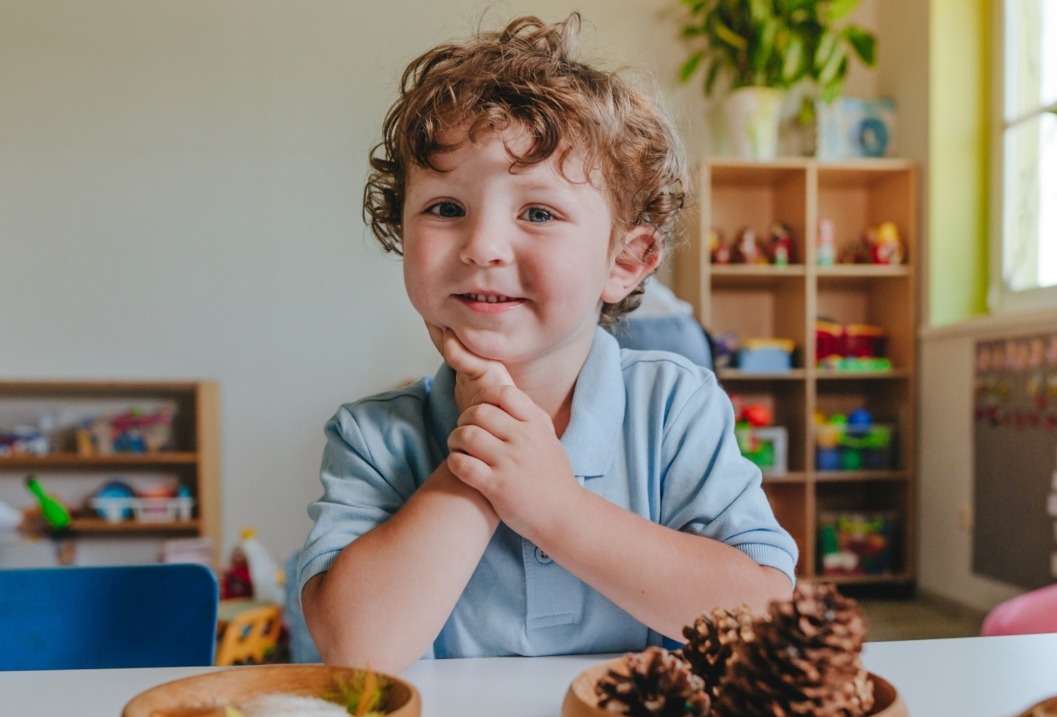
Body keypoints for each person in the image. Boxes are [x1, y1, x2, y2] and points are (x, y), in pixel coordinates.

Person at [298, 14, 798, 672]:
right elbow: (359, 650)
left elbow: (761, 621)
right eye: (446, 208)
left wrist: (554, 507)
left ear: (626, 260)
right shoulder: (373, 436)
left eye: (538, 212)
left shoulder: (675, 406)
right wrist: (482, 454)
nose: (481, 246)